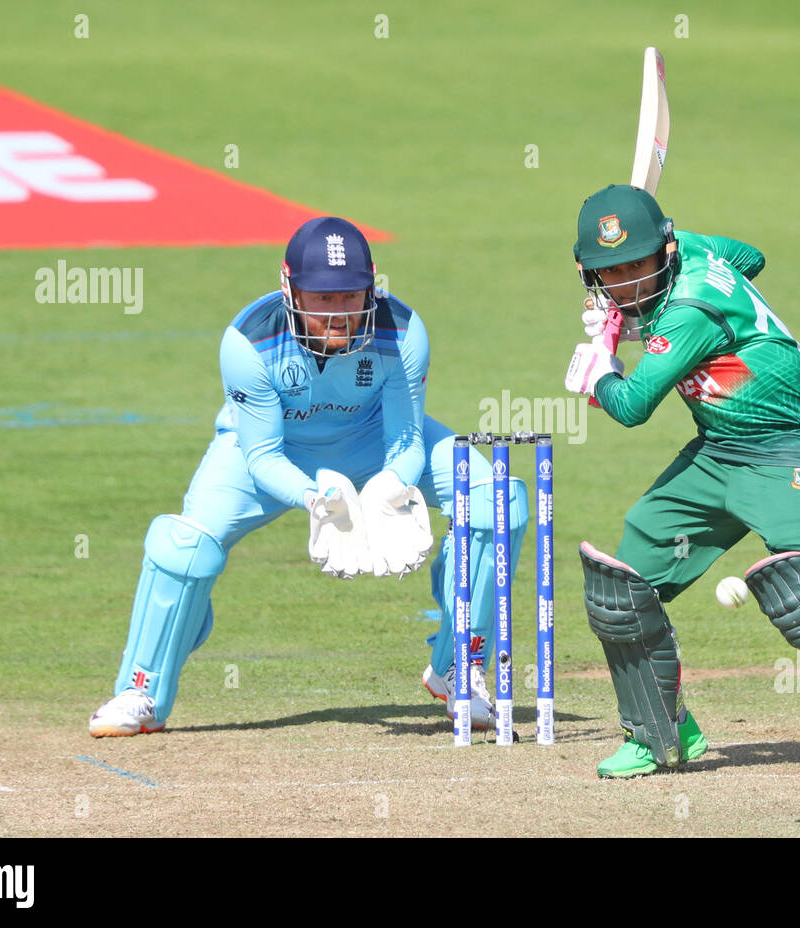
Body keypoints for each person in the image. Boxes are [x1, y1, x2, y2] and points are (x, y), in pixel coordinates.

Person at [89, 216, 527, 737]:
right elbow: (263, 456)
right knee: (185, 548)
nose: (339, 313)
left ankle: (459, 665)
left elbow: (406, 439)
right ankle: (142, 689)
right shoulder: (248, 342)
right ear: (289, 287)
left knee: (496, 501)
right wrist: (317, 499)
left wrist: (390, 487)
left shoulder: (403, 331)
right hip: (272, 453)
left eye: (351, 295)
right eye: (322, 298)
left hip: (374, 441)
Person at [564, 185, 800, 780]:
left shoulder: (689, 312)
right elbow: (750, 256)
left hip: (790, 454)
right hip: (718, 454)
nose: (629, 284)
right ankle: (660, 731)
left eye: (638, 266)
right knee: (621, 588)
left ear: (667, 248)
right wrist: (636, 322)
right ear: (590, 273)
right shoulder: (703, 253)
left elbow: (630, 406)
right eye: (613, 272)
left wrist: (602, 367)